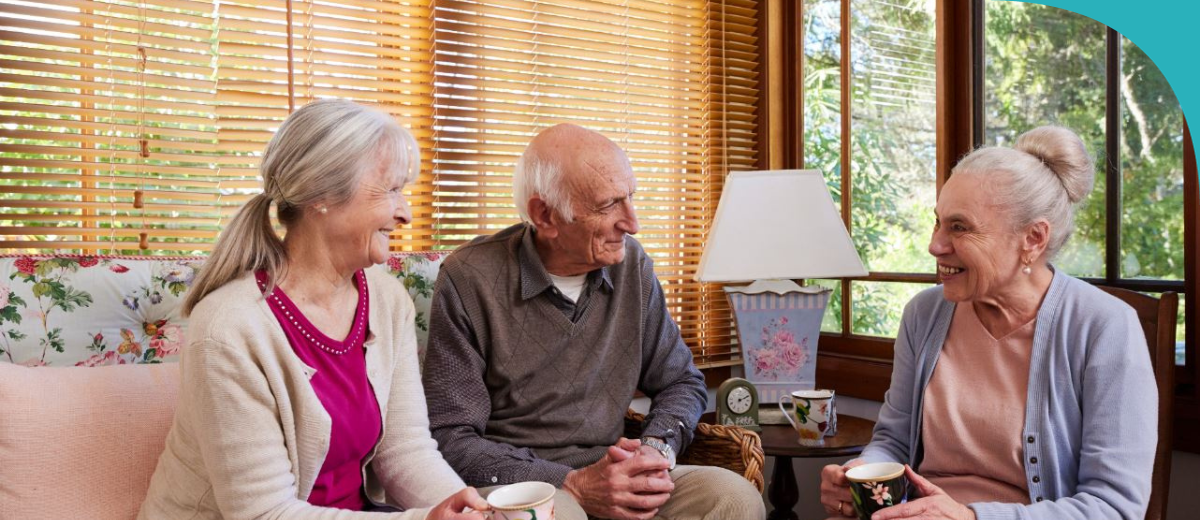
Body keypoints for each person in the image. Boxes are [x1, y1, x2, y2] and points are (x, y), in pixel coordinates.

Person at [139, 99, 487, 519]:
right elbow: (263, 513)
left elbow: (405, 450)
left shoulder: (386, 298)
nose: (405, 213)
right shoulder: (229, 329)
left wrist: (472, 510)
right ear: (322, 195)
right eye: (390, 189)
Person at [422, 123, 766, 520]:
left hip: (614, 469)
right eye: (608, 205)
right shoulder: (470, 277)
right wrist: (573, 482)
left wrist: (656, 450)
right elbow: (451, 437)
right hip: (523, 482)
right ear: (544, 215)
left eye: (630, 198)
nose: (632, 222)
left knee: (733, 497)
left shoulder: (631, 266)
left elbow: (680, 380)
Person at [819, 126, 1157, 520]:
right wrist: (861, 472)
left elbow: (1114, 507)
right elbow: (893, 440)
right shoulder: (923, 315)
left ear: (1033, 238)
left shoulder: (1105, 326)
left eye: (959, 227)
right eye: (938, 222)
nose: (935, 245)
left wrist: (972, 517)